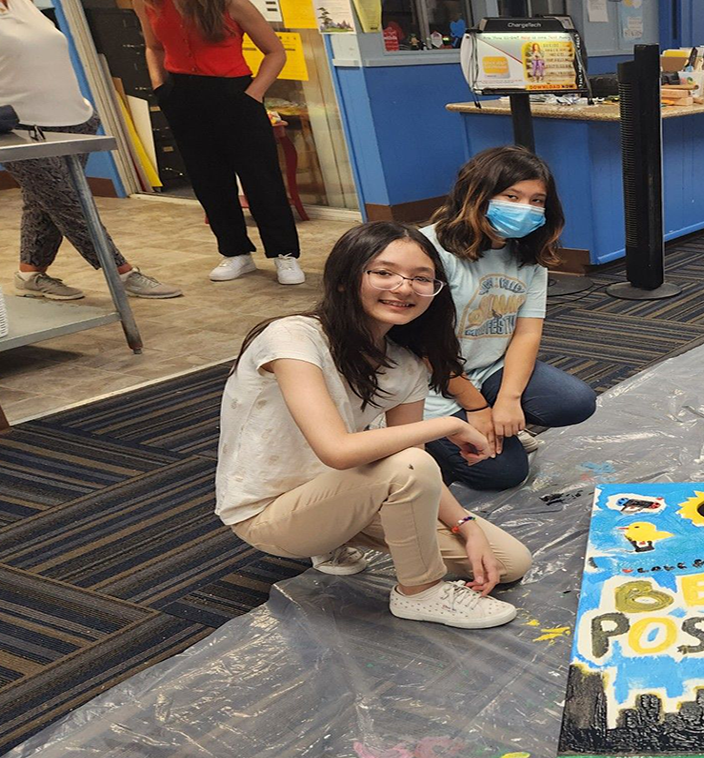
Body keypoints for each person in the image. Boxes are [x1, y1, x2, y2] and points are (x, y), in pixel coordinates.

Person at [216, 221, 531, 629]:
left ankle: (336, 538)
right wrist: (446, 427)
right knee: (407, 465)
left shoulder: (405, 363)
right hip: (270, 513)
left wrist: (464, 525)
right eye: (384, 273)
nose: (404, 288)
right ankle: (420, 592)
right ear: (347, 279)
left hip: (346, 496)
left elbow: (415, 469)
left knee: (509, 561)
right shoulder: (293, 337)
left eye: (422, 279)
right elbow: (339, 449)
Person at [0, 0, 182, 301]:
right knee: (69, 202)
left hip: (71, 120)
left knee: (44, 201)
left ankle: (30, 273)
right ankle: (122, 271)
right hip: (11, 128)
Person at [418, 146, 596, 490]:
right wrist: (478, 407)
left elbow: (527, 333)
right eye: (511, 196)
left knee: (574, 402)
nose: (525, 209)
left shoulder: (528, 253)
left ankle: (497, 431)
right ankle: (418, 441)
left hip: (486, 369)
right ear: (477, 195)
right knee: (502, 474)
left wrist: (508, 401)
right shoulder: (429, 249)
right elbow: (424, 345)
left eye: (537, 201)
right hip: (428, 380)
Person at [137, 0, 304, 285]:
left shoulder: (232, 4)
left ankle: (284, 255)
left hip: (235, 94)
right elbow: (154, 47)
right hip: (182, 96)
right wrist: (160, 88)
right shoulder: (148, 3)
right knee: (208, 180)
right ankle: (235, 252)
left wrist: (253, 95)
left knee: (261, 178)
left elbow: (275, 52)